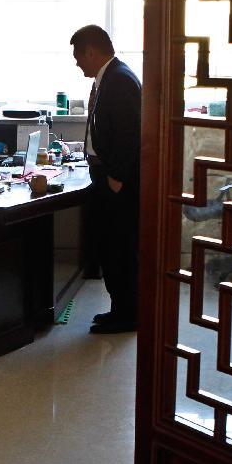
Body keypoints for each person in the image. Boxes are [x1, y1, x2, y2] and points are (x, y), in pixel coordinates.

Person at [70, 25, 141, 334]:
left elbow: (130, 133)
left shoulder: (120, 80)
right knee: (109, 245)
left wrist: (116, 176)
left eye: (77, 56)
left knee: (119, 247)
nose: (76, 63)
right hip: (106, 174)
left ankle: (128, 314)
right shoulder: (109, 78)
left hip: (117, 180)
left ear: (91, 51)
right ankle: (119, 308)